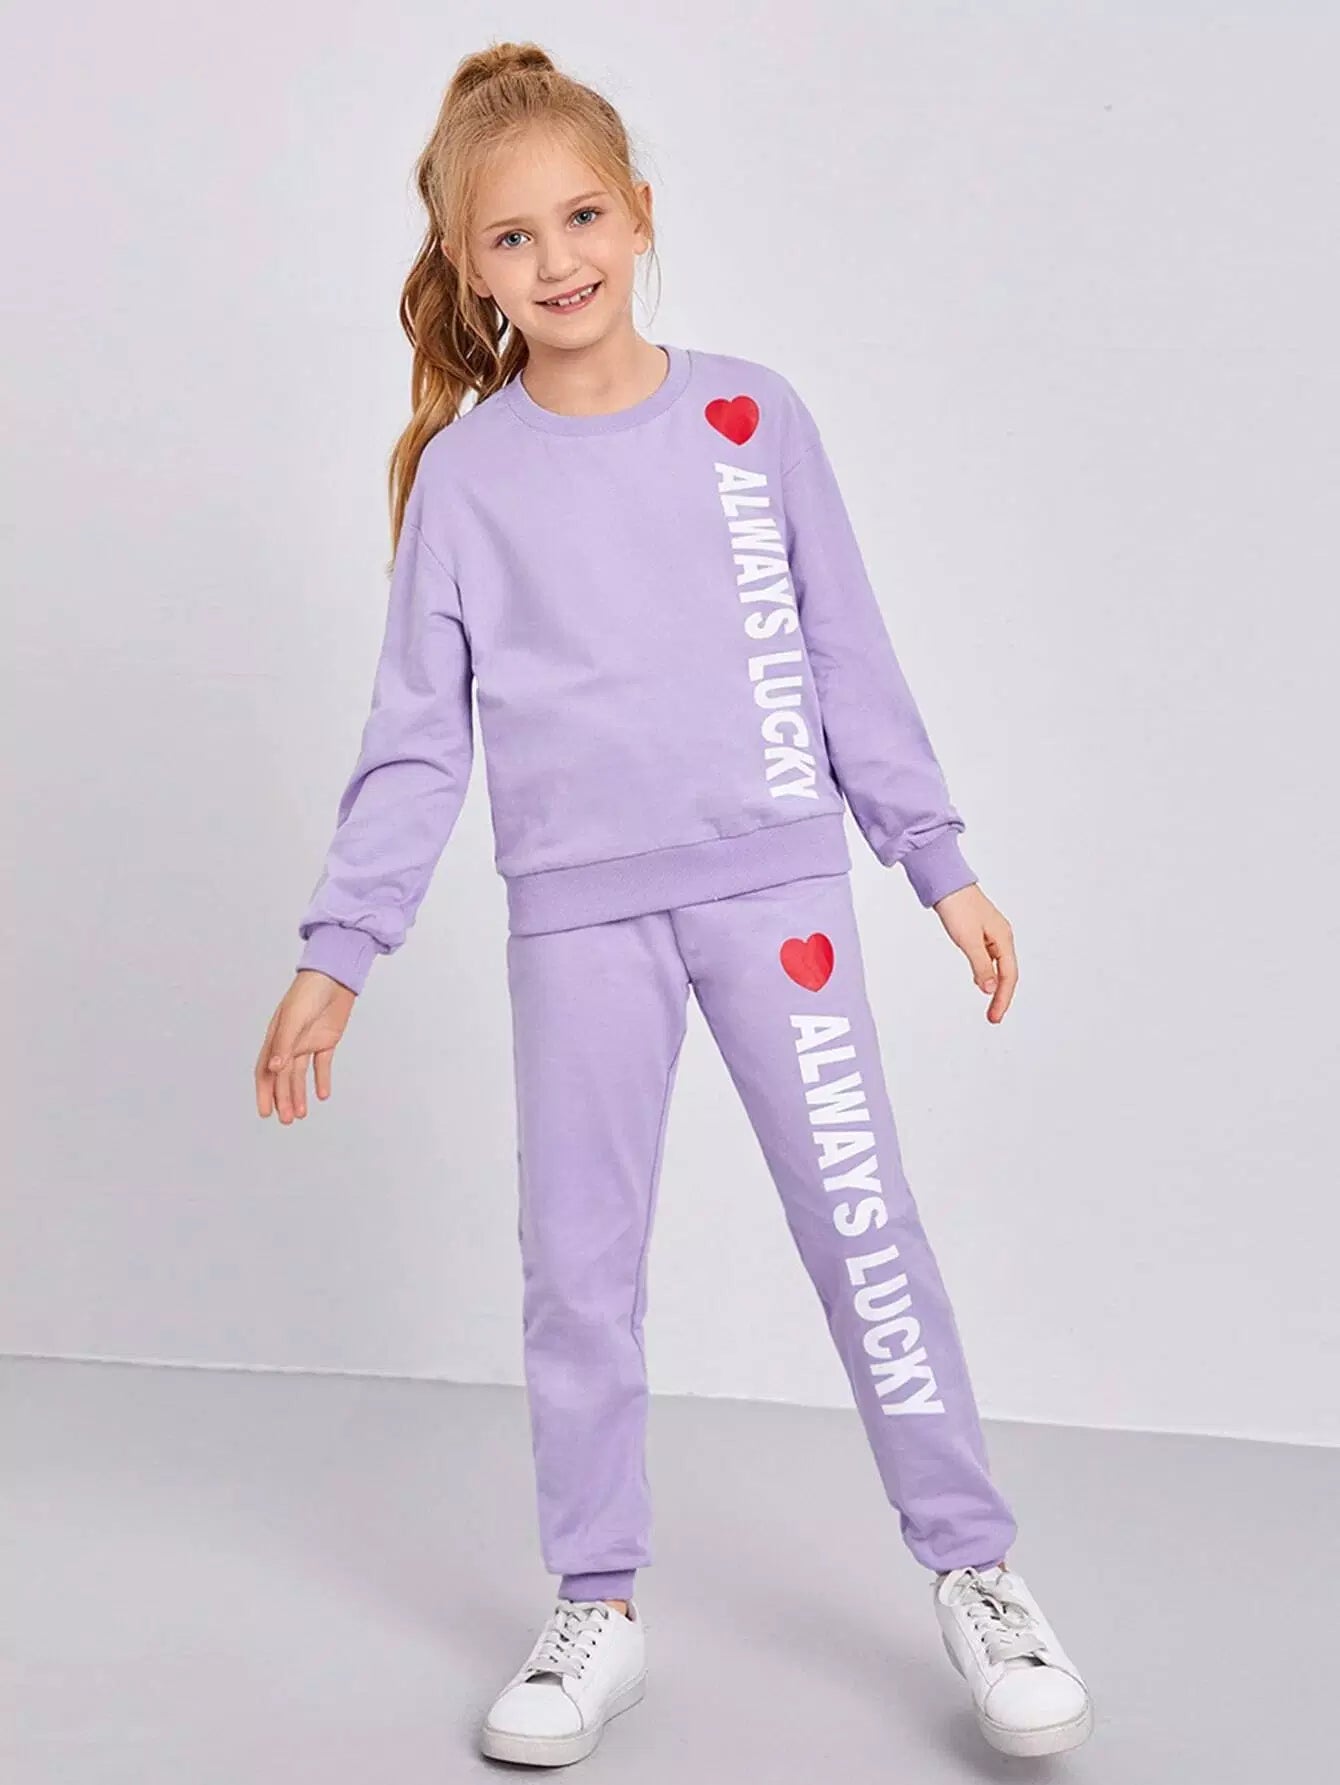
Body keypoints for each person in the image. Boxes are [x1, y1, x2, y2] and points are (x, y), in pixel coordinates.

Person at [253, 38, 1095, 1770]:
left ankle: (978, 1570)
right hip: (579, 924)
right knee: (578, 1269)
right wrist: (342, 950)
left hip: (779, 893)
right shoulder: (467, 479)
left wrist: (936, 860)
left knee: (864, 1234)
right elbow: (417, 741)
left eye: (582, 217)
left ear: (640, 215)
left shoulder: (750, 418)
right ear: (466, 265)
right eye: (511, 238)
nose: (556, 259)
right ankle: (598, 1602)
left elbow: (847, 652)